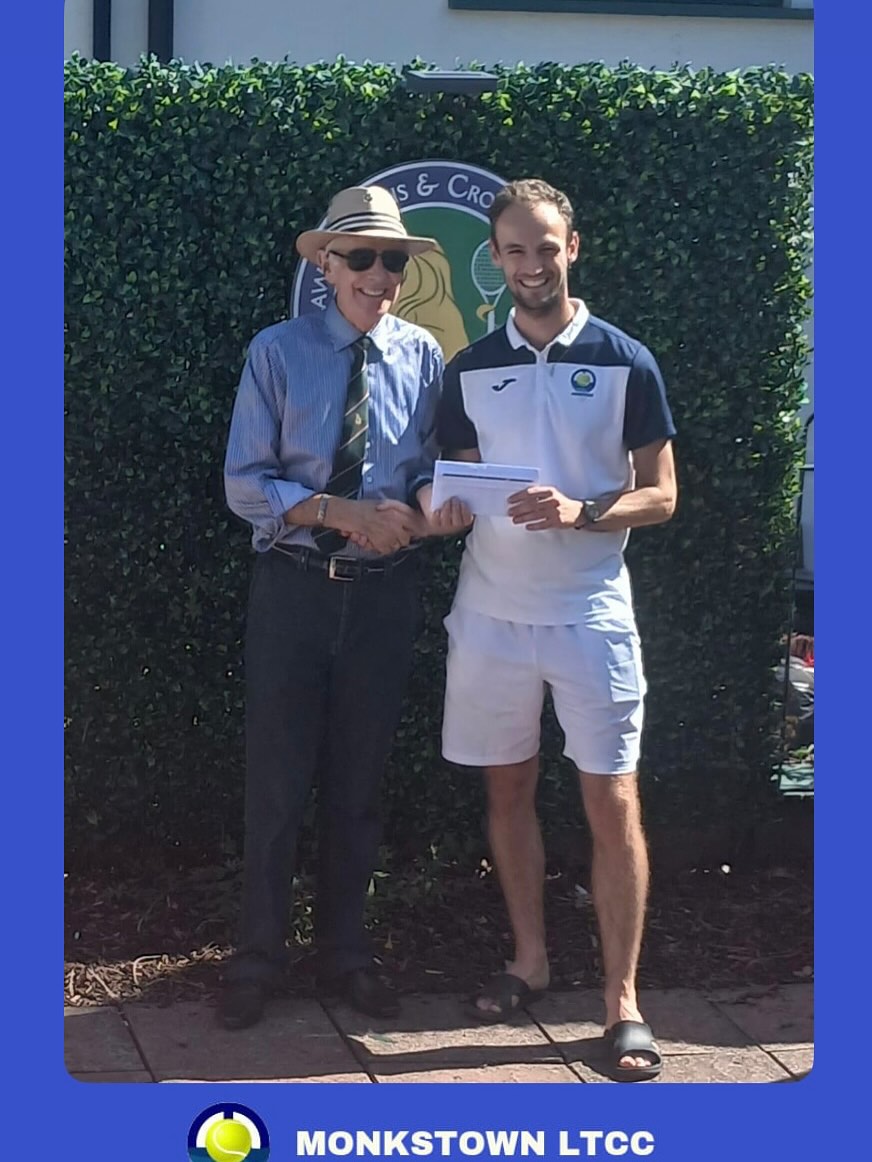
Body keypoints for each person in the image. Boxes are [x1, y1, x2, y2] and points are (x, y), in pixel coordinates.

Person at [436, 179, 678, 1082]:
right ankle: (529, 963)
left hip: (589, 618)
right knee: (507, 794)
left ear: (572, 248)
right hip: (492, 619)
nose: (531, 265)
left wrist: (582, 509)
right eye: (514, 250)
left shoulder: (626, 359)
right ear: (493, 259)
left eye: (546, 247)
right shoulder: (468, 367)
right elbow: (455, 483)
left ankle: (622, 1002)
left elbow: (663, 494)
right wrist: (445, 510)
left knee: (612, 805)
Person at [220, 186, 469, 1030]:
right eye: (359, 257)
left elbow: (434, 464)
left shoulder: (427, 358)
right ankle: (258, 960)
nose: (378, 273)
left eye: (391, 260)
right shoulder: (277, 353)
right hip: (292, 591)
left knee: (360, 788)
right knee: (277, 787)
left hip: (382, 602)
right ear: (325, 265)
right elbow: (243, 482)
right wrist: (341, 514)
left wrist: (438, 504)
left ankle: (346, 955)